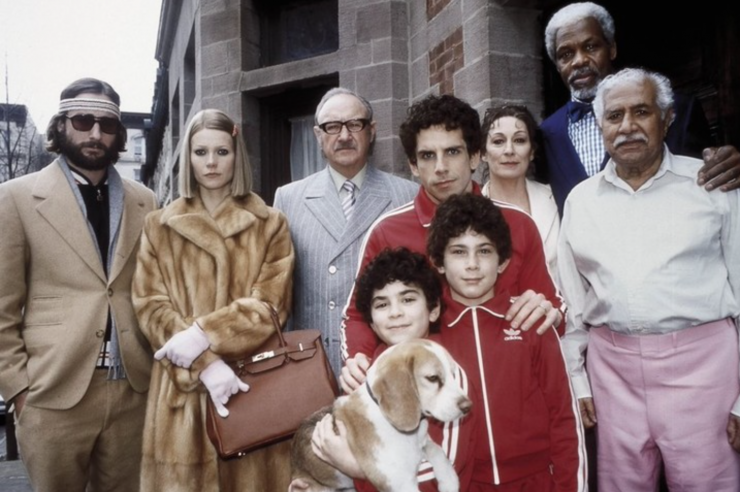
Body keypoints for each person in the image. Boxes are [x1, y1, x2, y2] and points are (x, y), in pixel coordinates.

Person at [558, 68, 740, 491]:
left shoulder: (713, 185)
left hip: (704, 372)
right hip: (612, 376)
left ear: (667, 118)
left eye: (641, 111)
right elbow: (573, 305)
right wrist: (578, 382)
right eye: (614, 115)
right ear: (600, 125)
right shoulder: (581, 201)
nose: (627, 126)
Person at [341, 94, 563, 391]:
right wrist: (358, 358)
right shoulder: (387, 232)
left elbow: (554, 310)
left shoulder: (518, 225)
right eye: (427, 156)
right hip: (423, 396)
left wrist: (548, 310)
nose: (441, 167)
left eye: (453, 152)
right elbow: (357, 314)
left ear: (474, 156)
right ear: (413, 165)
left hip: (507, 390)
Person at [0, 78, 157, 491]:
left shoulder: (146, 201)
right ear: (61, 125)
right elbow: (2, 307)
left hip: (132, 389)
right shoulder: (15, 198)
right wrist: (18, 390)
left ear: (118, 134)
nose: (95, 133)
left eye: (107, 125)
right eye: (83, 121)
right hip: (52, 392)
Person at [132, 109, 295, 491]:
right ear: (188, 157)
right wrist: (203, 363)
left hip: (250, 386)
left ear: (237, 155)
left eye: (222, 152)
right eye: (200, 152)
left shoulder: (270, 222)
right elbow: (149, 305)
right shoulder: (158, 225)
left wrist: (203, 333)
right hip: (181, 395)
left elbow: (271, 304)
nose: (211, 163)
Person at [430, 194, 585, 491]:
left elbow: (564, 419)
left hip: (536, 481)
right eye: (459, 252)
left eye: (484, 251)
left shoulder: (531, 322)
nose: (473, 265)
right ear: (439, 262)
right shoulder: (430, 335)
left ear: (502, 261)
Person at [299, 247, 476, 492]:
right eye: (382, 304)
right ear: (371, 322)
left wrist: (357, 469)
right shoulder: (368, 372)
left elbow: (442, 475)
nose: (395, 313)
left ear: (433, 309)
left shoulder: (449, 373)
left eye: (408, 299)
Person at [541, 2, 740, 214]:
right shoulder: (546, 133)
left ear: (612, 49)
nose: (579, 61)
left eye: (590, 47)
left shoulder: (678, 110)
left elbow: (715, 176)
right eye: (566, 55)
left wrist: (730, 167)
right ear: (557, 66)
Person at [273, 87, 418, 376]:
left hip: (383, 367)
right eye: (332, 126)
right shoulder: (288, 199)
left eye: (354, 124)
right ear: (318, 135)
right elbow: (277, 295)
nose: (343, 135)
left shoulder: (408, 195)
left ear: (371, 131)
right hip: (310, 369)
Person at [480, 103, 560, 278]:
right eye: (498, 141)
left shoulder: (556, 198)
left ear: (531, 152)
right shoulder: (470, 210)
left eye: (519, 140)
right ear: (483, 153)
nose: (509, 150)